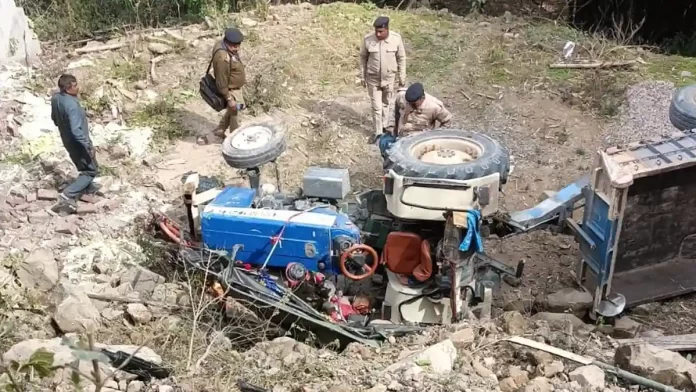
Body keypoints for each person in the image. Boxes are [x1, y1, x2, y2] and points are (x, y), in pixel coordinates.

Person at [50, 74, 99, 213]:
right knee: (90, 171)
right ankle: (68, 195)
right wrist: (88, 145)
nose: (78, 87)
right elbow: (76, 130)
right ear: (67, 88)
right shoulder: (72, 106)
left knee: (89, 165)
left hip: (66, 139)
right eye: (75, 85)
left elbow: (54, 119)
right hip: (78, 142)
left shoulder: (56, 98)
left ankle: (86, 187)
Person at [359, 16, 406, 144]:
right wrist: (362, 76)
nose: (378, 34)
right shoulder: (368, 40)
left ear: (387, 29)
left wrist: (402, 76)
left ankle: (385, 127)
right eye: (376, 31)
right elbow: (363, 58)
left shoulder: (396, 39)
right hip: (373, 78)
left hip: (389, 78)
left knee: (386, 103)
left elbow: (401, 58)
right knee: (376, 107)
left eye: (381, 31)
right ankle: (378, 132)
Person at [379, 82, 453, 158]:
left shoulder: (434, 107)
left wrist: (434, 137)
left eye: (414, 104)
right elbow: (394, 110)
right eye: (408, 103)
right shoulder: (401, 96)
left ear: (422, 98)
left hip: (419, 141)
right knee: (384, 143)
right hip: (400, 135)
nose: (410, 106)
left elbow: (447, 121)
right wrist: (391, 125)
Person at [209, 27, 246, 142]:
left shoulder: (222, 44)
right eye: (235, 46)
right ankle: (235, 138)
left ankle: (220, 129)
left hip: (235, 87)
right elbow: (221, 81)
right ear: (227, 43)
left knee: (233, 110)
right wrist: (229, 98)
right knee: (235, 111)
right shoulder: (222, 58)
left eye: (238, 45)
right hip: (231, 90)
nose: (237, 48)